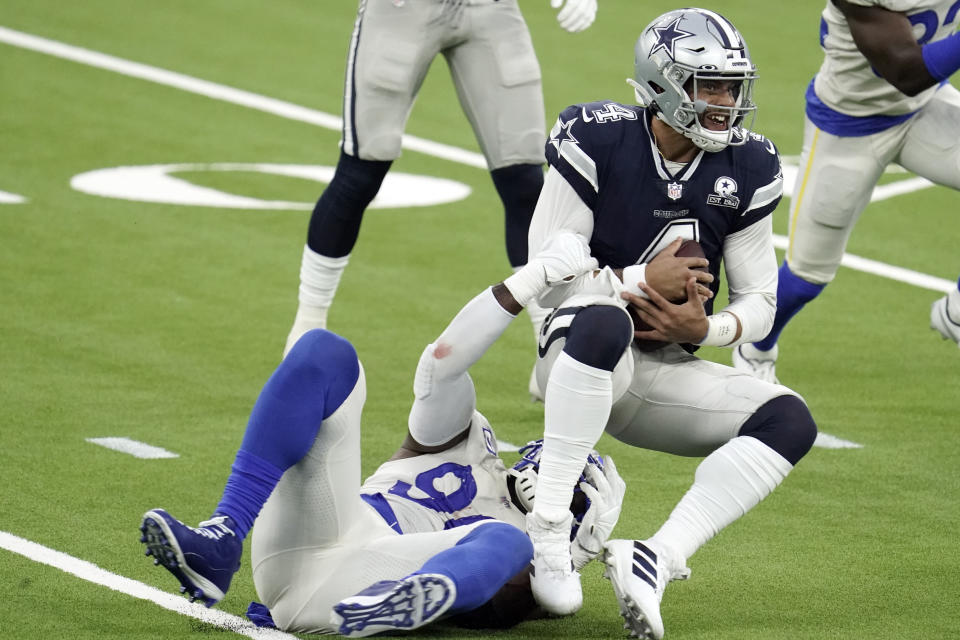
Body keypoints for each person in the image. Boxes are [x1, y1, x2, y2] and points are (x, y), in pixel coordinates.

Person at [453, 8, 817, 639]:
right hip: (578, 352)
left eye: (733, 87)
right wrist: (642, 283)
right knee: (604, 323)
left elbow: (760, 298)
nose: (726, 103)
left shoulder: (749, 165)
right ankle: (547, 532)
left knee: (790, 419)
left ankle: (657, 557)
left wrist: (703, 330)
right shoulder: (596, 138)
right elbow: (546, 281)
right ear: (662, 84)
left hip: (666, 375)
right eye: (709, 86)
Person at [139, 233, 624, 637]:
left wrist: (563, 561)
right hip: (322, 531)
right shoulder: (468, 444)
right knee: (325, 353)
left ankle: (389, 604)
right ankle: (222, 535)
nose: (557, 476)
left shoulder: (532, 562)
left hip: (365, 580)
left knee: (505, 541)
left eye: (577, 485)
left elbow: (510, 608)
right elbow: (442, 365)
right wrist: (528, 281)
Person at [283, 0, 600, 360]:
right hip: (402, 9)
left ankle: (549, 345)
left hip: (491, 9)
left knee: (526, 181)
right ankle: (309, 320)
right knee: (361, 172)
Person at [733, 0, 960, 383]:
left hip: (924, 108)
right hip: (849, 124)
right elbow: (906, 69)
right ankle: (755, 346)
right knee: (807, 276)